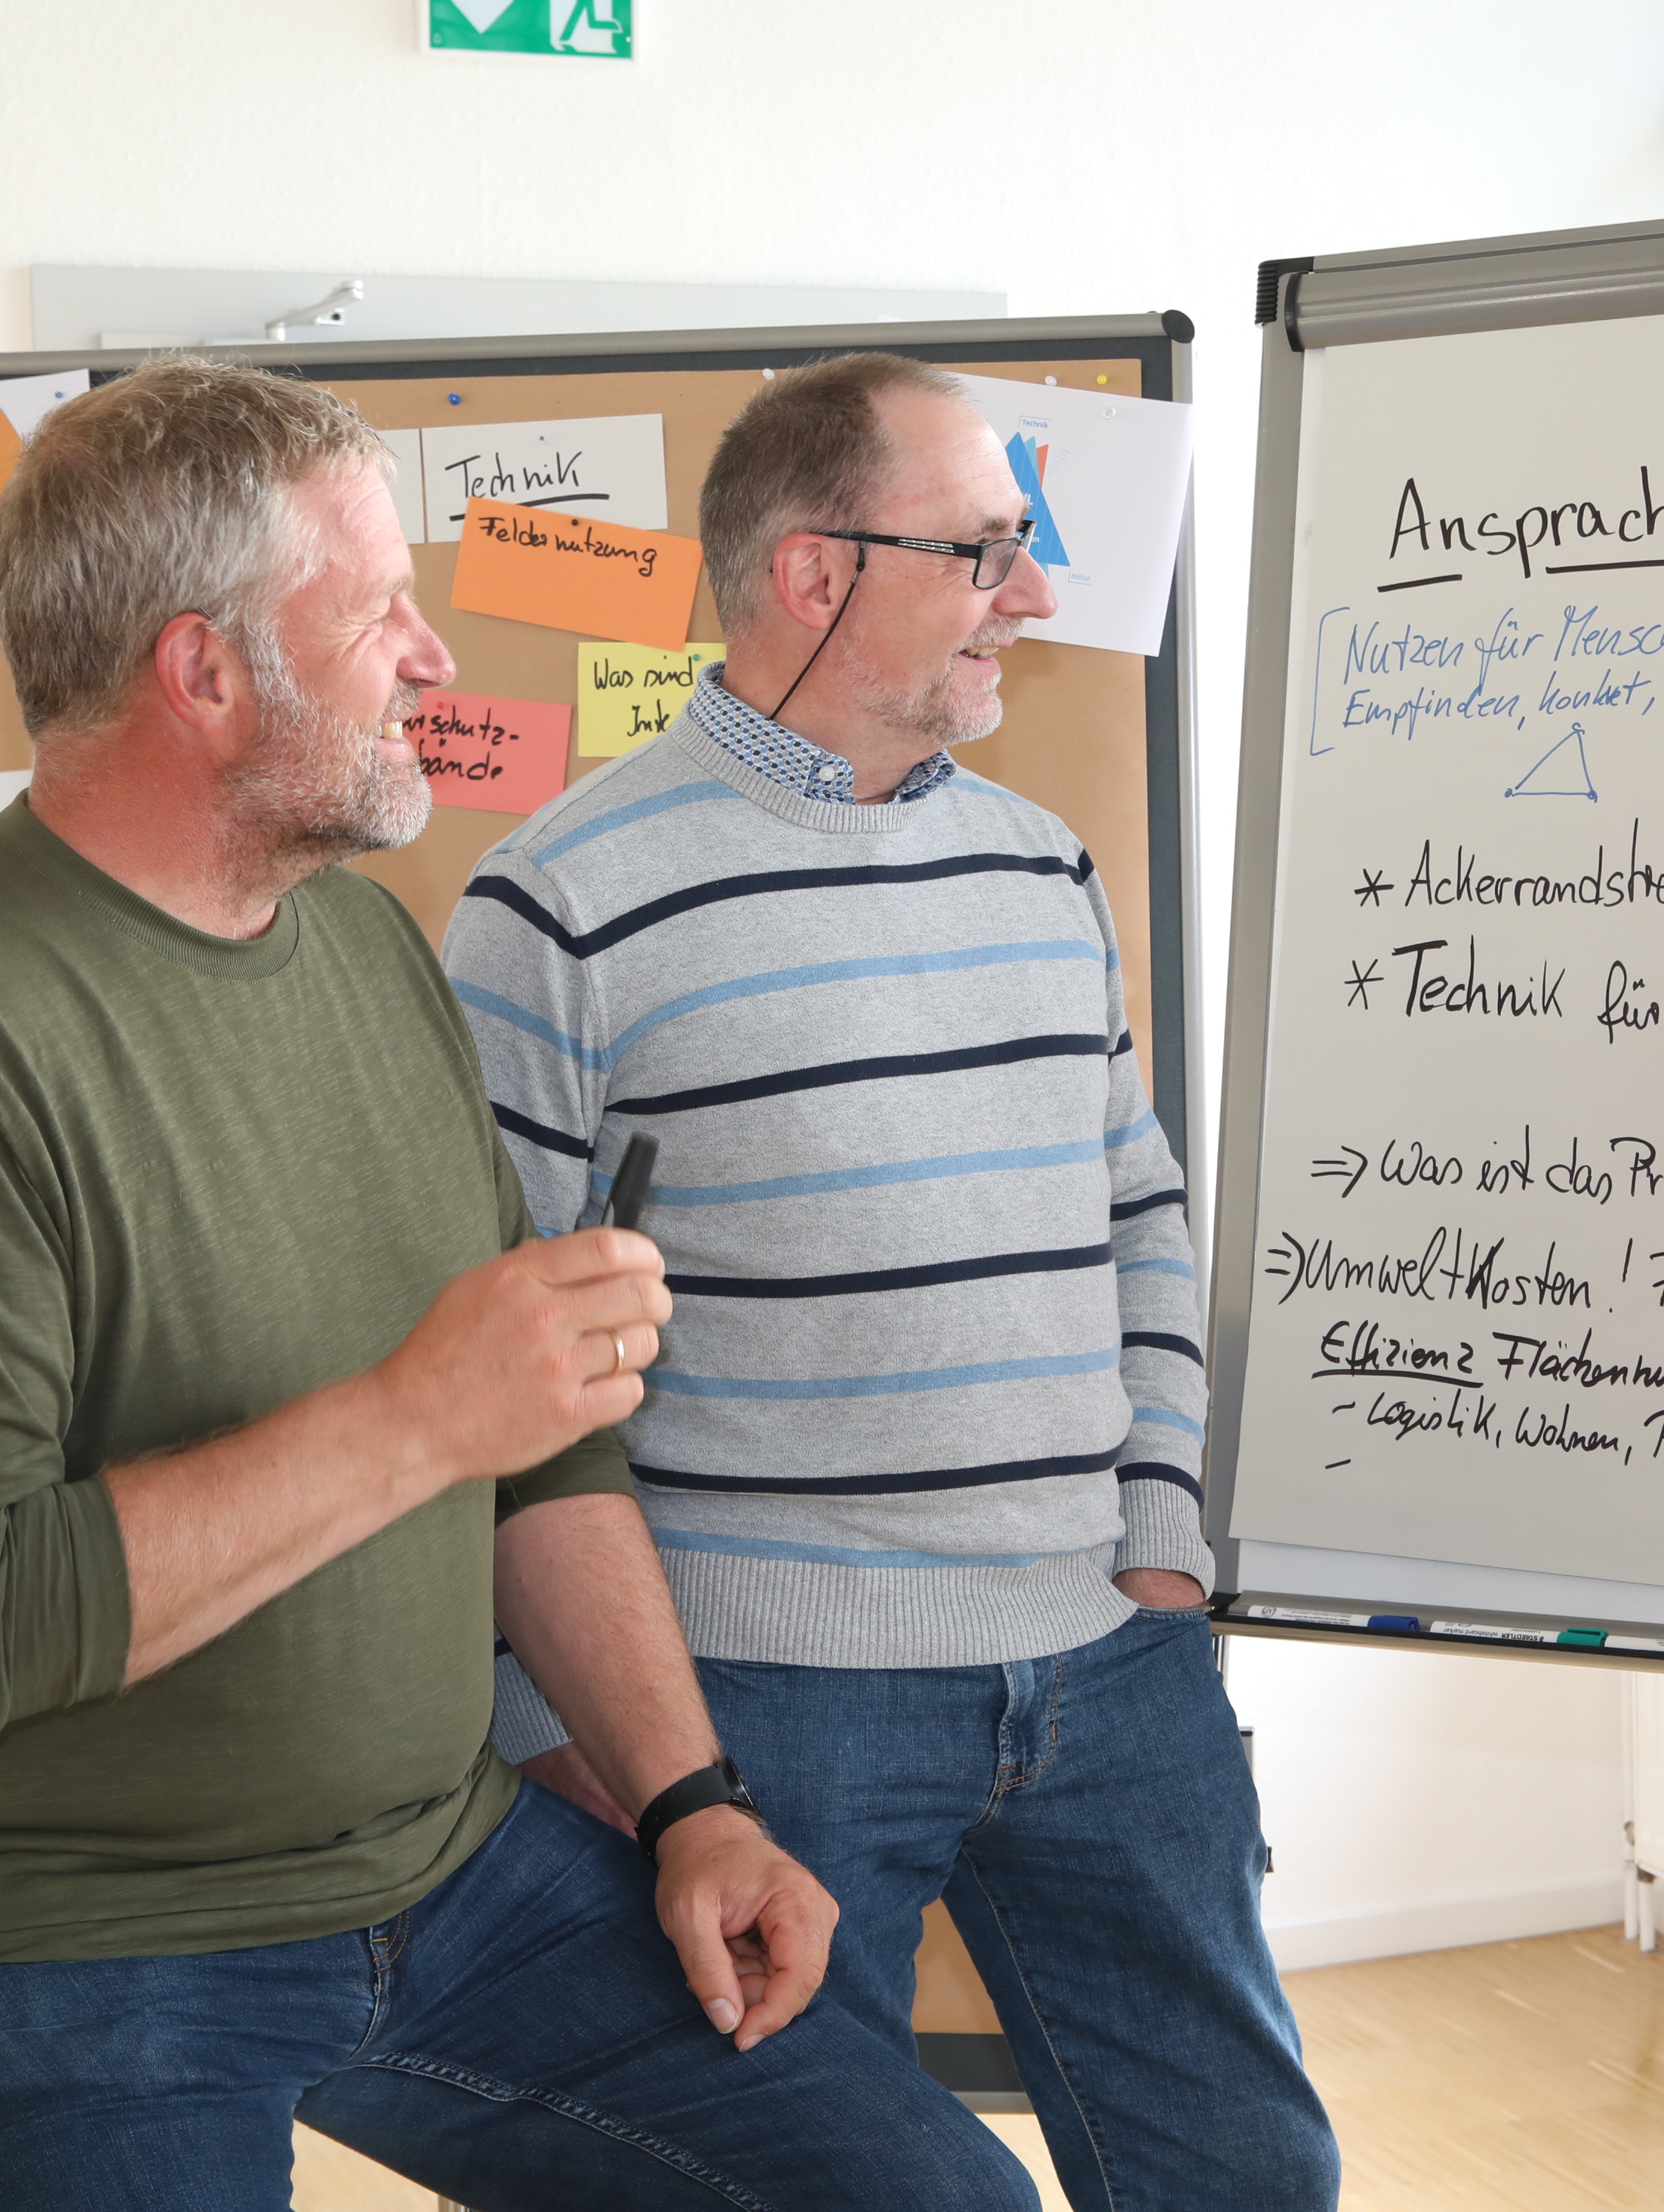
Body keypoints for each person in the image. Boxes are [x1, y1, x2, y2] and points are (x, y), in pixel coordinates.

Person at [0, 355, 1034, 2212]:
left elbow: (541, 1433)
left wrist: (691, 1805)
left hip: (436, 1871)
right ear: (204, 673)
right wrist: (416, 1421)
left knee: (942, 2200)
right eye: (379, 614)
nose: (433, 657)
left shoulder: (362, 939)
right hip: (48, 1928)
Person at [444, 352, 1340, 2212]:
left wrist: (1158, 1533)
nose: (1032, 592)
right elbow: (485, 1364)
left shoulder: (1042, 864)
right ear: (813, 573)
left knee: (1251, 2172)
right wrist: (562, 1720)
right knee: (830, 2192)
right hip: (771, 1706)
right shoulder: (558, 905)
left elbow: (1136, 1212)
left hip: (1111, 1660)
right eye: (985, 549)